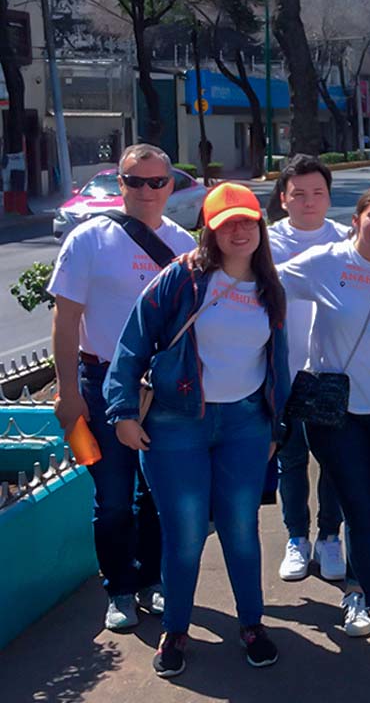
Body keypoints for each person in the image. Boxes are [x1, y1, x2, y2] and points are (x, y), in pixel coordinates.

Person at [104, 183, 290, 677]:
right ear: (208, 229)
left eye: (248, 220)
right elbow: (131, 345)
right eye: (227, 222)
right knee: (185, 533)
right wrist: (122, 412)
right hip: (175, 424)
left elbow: (279, 362)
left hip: (246, 424)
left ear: (260, 227)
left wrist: (277, 422)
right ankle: (176, 629)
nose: (239, 229)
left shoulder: (270, 287)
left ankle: (252, 624)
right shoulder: (180, 280)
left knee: (241, 529)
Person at [48, 143, 196, 633]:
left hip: (164, 387)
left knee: (158, 493)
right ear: (121, 184)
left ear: (171, 186)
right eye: (136, 181)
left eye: (157, 182)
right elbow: (66, 320)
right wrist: (67, 391)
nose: (147, 191)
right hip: (101, 383)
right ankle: (119, 588)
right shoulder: (89, 239)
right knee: (112, 495)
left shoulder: (183, 245)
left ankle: (152, 579)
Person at [276, 185, 370, 659]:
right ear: (357, 218)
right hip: (333, 413)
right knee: (360, 508)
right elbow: (264, 282)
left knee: (366, 508)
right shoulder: (327, 260)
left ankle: (356, 594)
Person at [267, 155, 350, 585]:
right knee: (292, 460)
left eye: (318, 192)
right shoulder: (268, 241)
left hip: (330, 372)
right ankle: (297, 537)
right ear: (283, 198)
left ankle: (330, 537)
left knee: (332, 461)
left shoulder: (344, 239)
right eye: (299, 193)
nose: (309, 201)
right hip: (283, 371)